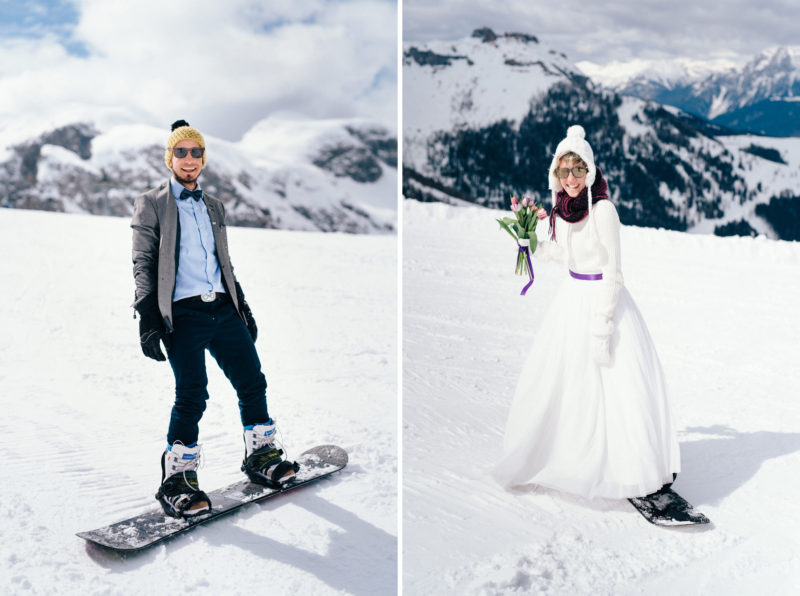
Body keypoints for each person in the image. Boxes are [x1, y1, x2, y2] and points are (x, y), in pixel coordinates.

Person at [493, 125, 680, 501]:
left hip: (602, 302)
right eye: (564, 171)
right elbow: (568, 257)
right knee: (569, 385)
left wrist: (602, 325)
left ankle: (628, 466)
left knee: (616, 389)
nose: (572, 179)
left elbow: (613, 272)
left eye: (578, 170)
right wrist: (534, 246)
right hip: (571, 299)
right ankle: (570, 457)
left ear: (590, 171)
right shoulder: (562, 212)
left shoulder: (604, 211)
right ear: (555, 175)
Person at [131, 120, 298, 518]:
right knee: (192, 393)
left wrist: (243, 305)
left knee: (252, 380)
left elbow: (222, 262)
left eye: (196, 152)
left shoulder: (214, 207)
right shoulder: (152, 202)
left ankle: (262, 457)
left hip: (223, 307)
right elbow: (143, 260)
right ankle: (177, 481)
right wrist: (147, 312)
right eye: (181, 152)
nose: (189, 159)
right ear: (169, 158)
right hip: (183, 312)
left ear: (203, 158)